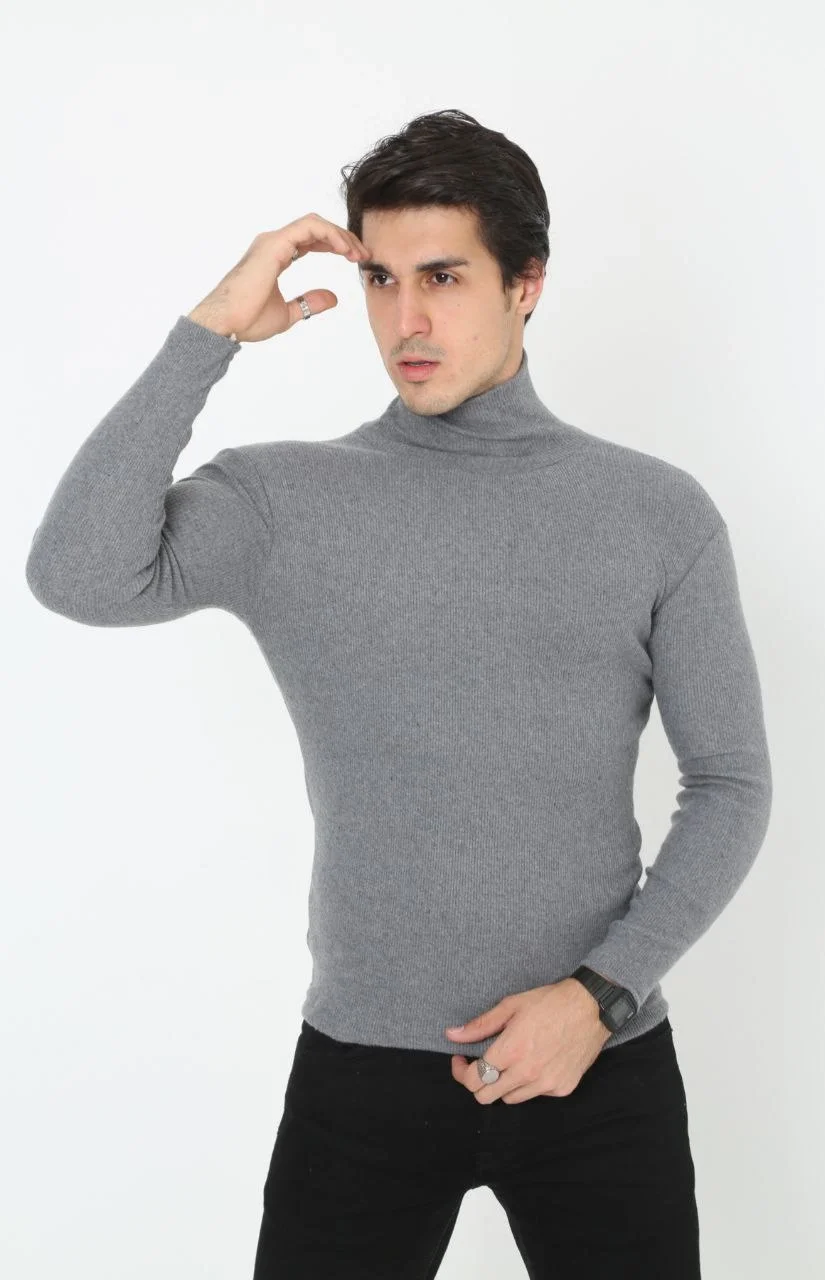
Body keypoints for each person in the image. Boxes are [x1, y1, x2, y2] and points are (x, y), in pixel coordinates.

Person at [25, 108, 772, 1278]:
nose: (406, 320)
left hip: (595, 1060)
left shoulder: (654, 514)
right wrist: (210, 330)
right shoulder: (287, 501)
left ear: (526, 284)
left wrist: (600, 995)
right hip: (361, 1076)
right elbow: (75, 573)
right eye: (380, 278)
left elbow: (729, 783)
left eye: (443, 276)